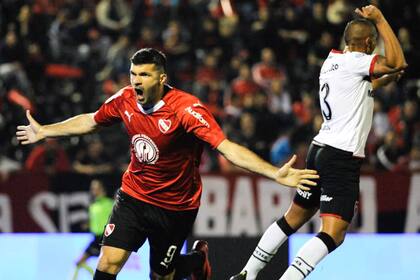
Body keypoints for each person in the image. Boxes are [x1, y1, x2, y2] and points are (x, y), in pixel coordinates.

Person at [16, 48, 319, 280]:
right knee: (108, 262)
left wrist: (273, 173)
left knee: (162, 275)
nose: (136, 82)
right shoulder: (124, 100)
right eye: (133, 75)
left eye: (144, 76)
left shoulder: (187, 110)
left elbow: (227, 148)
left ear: (161, 78)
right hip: (133, 196)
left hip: (175, 207)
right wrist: (45, 130)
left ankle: (197, 261)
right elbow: (92, 121)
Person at [230, 5, 407, 280]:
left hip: (319, 150)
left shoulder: (332, 62)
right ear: (369, 43)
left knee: (294, 217)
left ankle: (247, 273)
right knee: (333, 233)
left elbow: (362, 90)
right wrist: (380, 19)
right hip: (341, 157)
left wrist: (385, 80)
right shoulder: (358, 62)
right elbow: (398, 61)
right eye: (374, 43)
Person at [73, 179, 114, 279]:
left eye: (96, 188)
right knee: (79, 263)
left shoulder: (110, 204)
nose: (94, 190)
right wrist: (87, 225)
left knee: (107, 268)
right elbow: (94, 222)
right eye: (92, 188)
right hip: (95, 239)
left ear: (103, 190)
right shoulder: (92, 206)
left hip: (106, 239)